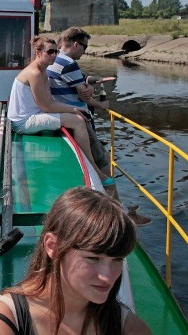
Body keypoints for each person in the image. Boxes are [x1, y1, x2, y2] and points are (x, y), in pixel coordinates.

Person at [0, 187, 152, 335]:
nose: (108, 277)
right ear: (52, 246)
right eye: (93, 258)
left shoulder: (131, 328)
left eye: (117, 260)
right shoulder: (6, 319)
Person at [48, 27, 151, 226]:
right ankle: (121, 216)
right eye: (84, 47)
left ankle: (119, 208)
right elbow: (84, 94)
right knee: (103, 167)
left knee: (99, 166)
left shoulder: (57, 60)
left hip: (68, 117)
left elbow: (77, 84)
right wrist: (97, 97)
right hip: (79, 120)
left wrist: (89, 82)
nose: (85, 52)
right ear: (76, 44)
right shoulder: (69, 64)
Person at [7, 36, 112, 184]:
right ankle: (95, 170)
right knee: (78, 121)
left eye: (56, 51)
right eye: (50, 52)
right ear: (38, 52)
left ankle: (91, 165)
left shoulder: (42, 70)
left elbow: (48, 102)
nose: (54, 55)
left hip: (32, 114)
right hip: (23, 122)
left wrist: (73, 109)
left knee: (77, 115)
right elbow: (46, 106)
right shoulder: (35, 73)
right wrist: (75, 109)